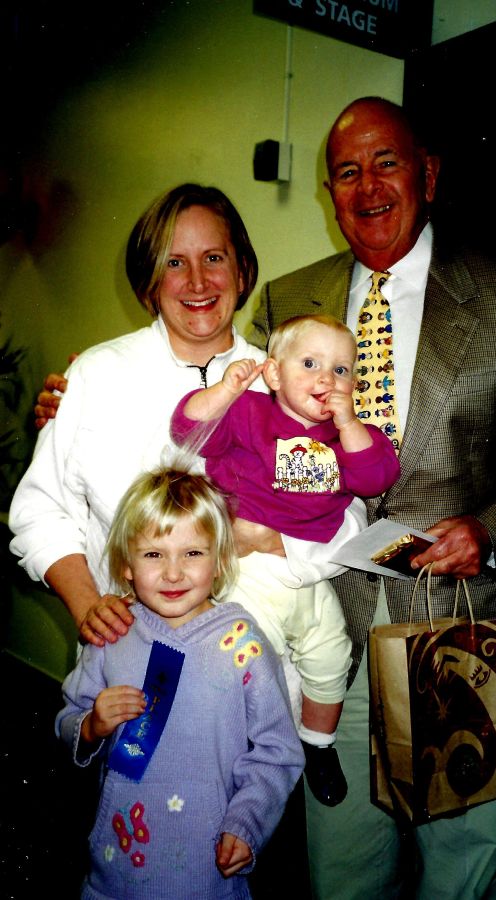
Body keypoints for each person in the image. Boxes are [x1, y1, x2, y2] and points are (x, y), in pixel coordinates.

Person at [249, 97, 496, 899]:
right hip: (324, 630)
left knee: (463, 869)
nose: (366, 186)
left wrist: (492, 525)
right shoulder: (287, 298)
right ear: (328, 192)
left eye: (387, 162)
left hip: (455, 625)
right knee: (340, 869)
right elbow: (233, 411)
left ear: (428, 173)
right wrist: (88, 400)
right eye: (345, 171)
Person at [8, 181, 363, 897]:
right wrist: (85, 604)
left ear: (243, 271)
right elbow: (40, 509)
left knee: (241, 867)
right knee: (132, 861)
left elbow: (345, 509)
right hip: (134, 689)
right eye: (175, 263)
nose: (197, 281)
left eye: (215, 259)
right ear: (148, 281)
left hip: (254, 699)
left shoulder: (290, 381)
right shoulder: (96, 375)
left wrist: (274, 543)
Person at [170, 313, 400, 806]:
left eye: (341, 370)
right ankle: (238, 755)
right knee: (251, 662)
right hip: (249, 570)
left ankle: (318, 744)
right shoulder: (250, 413)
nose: (326, 378)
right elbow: (188, 428)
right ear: (273, 374)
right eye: (311, 363)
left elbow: (378, 477)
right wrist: (226, 391)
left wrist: (348, 421)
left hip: (309, 573)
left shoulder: (347, 437)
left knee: (331, 653)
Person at [55, 467, 305, 899]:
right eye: (153, 555)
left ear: (220, 560)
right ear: (126, 566)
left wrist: (247, 824)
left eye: (192, 553)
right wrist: (92, 725)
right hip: (115, 866)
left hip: (206, 869)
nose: (173, 573)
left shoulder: (241, 644)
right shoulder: (113, 632)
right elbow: (67, 719)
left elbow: (278, 751)